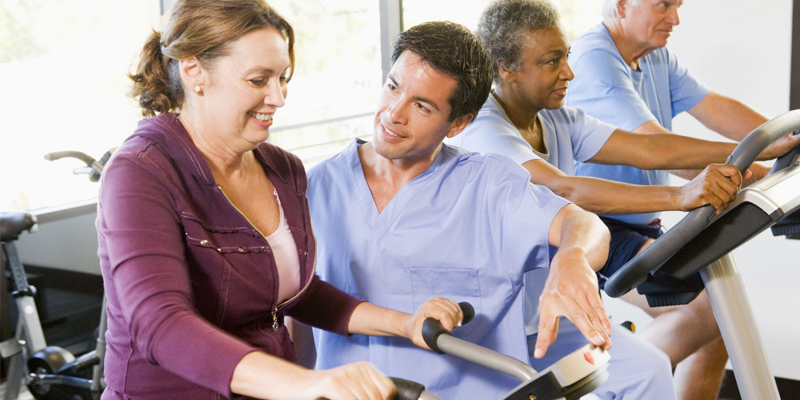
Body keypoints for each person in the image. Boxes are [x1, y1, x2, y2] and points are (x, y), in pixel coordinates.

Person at [97, 1, 464, 399]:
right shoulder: (141, 171)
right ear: (194, 71)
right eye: (259, 80)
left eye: (283, 78)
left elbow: (297, 294)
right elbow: (159, 324)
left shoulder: (282, 170)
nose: (279, 97)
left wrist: (404, 324)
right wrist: (308, 381)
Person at [449, 1, 800, 398]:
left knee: (651, 368)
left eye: (565, 57)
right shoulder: (484, 131)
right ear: (504, 67)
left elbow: (650, 150)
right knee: (697, 317)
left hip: (540, 312)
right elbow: (566, 189)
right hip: (492, 321)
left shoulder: (558, 119)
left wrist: (766, 149)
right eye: (553, 62)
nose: (570, 72)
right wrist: (681, 194)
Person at [306, 21, 615, 400]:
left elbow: (583, 224)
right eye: (393, 87)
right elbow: (293, 308)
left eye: (421, 106)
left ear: (458, 124)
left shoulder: (489, 186)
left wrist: (574, 257)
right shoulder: (314, 186)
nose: (393, 114)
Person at [566, 1, 782, 399]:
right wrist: (764, 169)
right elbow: (656, 148)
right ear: (621, 5)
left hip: (641, 222)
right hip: (596, 225)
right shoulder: (595, 58)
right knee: (707, 311)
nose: (675, 18)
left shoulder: (655, 56)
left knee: (721, 320)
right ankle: (602, 386)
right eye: (663, 4)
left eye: (678, 5)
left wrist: (788, 140)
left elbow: (717, 108)